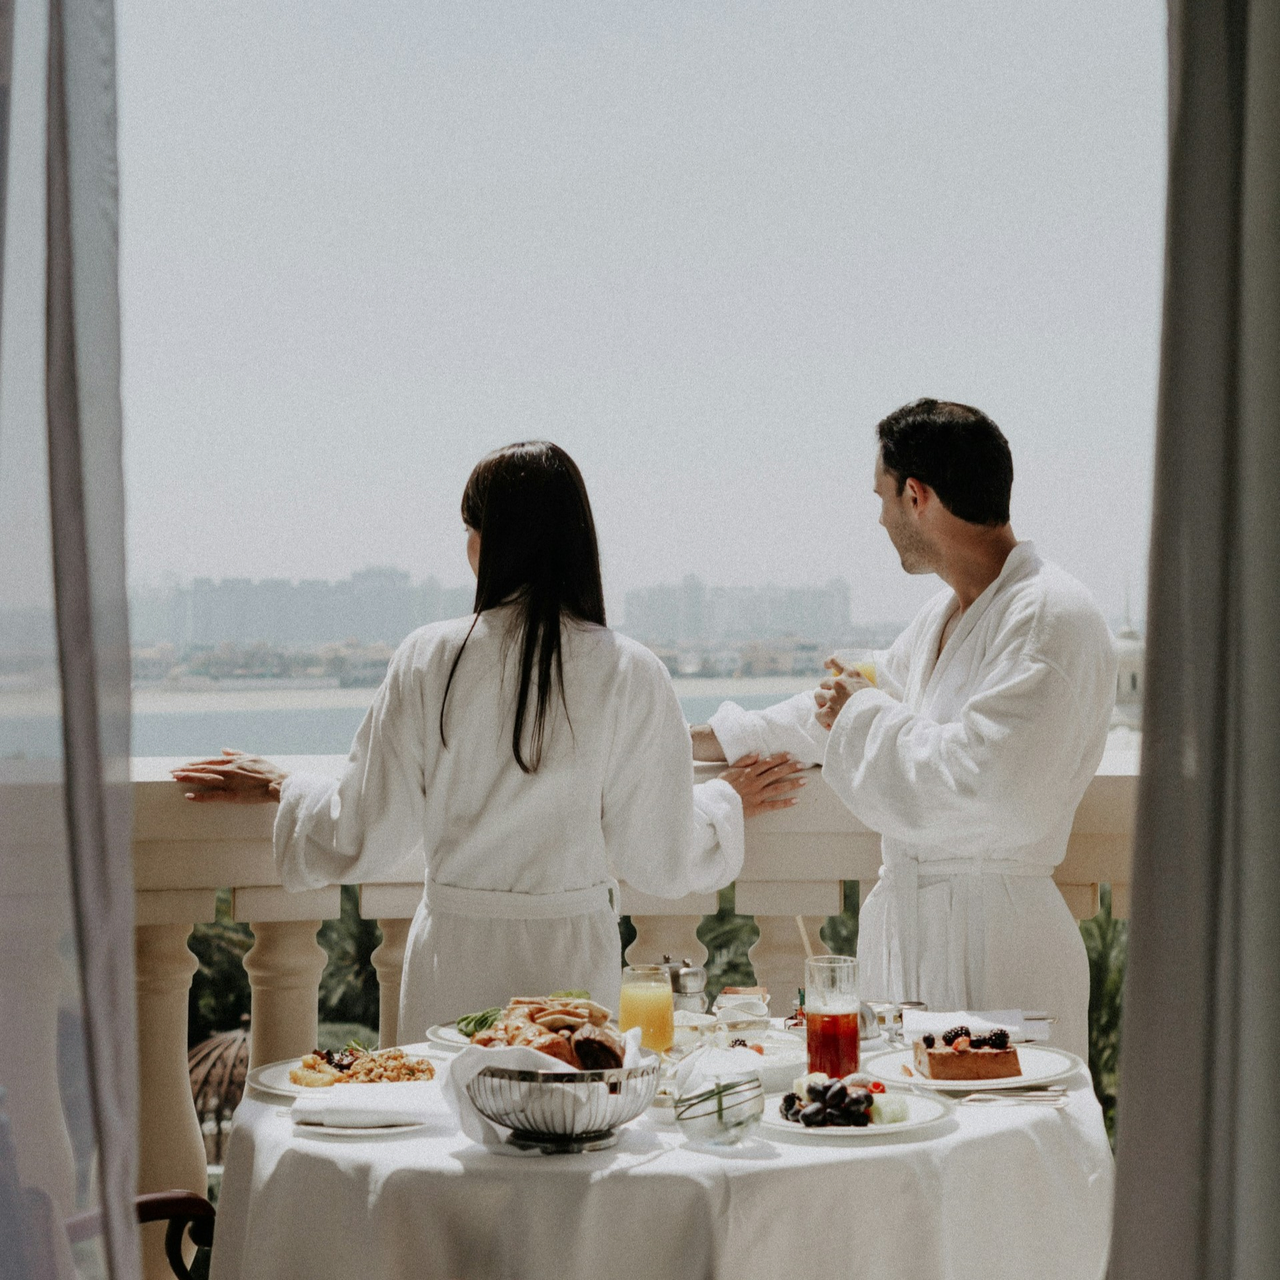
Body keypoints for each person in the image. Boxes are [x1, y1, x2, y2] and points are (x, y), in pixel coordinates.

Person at [173, 442, 803, 1036]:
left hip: (454, 957)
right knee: (566, 1124)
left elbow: (368, 828)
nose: (466, 547)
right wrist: (723, 803)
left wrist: (285, 786)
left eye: (470, 529)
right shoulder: (631, 670)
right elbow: (658, 858)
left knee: (450, 1138)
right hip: (572, 962)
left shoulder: (429, 657)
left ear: (493, 541)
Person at [691, 400, 1116, 1059]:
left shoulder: (1048, 617)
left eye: (883, 499)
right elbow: (840, 704)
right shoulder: (947, 617)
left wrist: (858, 713)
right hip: (914, 949)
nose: (881, 519)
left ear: (916, 496)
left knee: (997, 1145)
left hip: (995, 953)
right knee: (915, 1145)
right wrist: (701, 743)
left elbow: (982, 790)